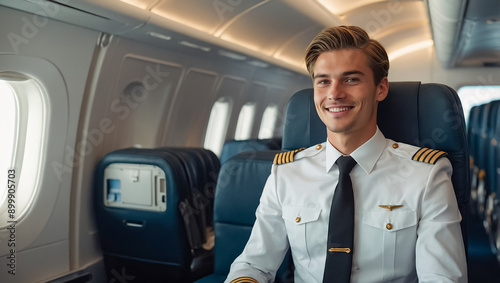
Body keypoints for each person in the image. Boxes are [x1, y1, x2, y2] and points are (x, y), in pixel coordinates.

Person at [225, 26, 467, 283]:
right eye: (323, 81)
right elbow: (254, 265)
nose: (334, 93)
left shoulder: (426, 175)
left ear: (381, 88)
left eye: (351, 79)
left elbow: (442, 278)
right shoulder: (286, 173)